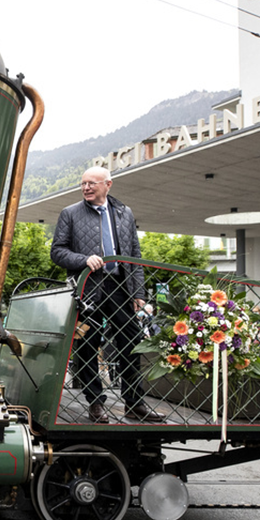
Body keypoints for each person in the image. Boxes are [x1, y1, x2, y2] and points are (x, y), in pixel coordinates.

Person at [51, 166, 165, 423]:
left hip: (119, 288)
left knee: (132, 341)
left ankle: (134, 403)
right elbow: (57, 251)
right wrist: (83, 259)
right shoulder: (69, 213)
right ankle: (96, 403)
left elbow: (134, 255)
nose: (86, 188)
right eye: (83, 184)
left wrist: (138, 292)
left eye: (92, 183)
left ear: (108, 184)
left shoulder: (124, 213)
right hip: (87, 289)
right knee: (88, 345)